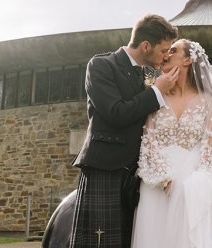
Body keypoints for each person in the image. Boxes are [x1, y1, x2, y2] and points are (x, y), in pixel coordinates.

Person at [70, 14, 179, 248]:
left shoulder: (149, 76)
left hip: (138, 177)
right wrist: (156, 93)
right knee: (101, 243)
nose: (165, 57)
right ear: (146, 46)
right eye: (163, 50)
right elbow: (115, 113)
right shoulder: (101, 65)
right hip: (106, 169)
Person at [132, 39, 212, 248]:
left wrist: (198, 180)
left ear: (188, 59)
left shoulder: (209, 101)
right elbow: (148, 140)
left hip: (191, 182)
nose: (166, 54)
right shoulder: (156, 95)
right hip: (155, 183)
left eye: (173, 50)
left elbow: (209, 148)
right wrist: (163, 178)